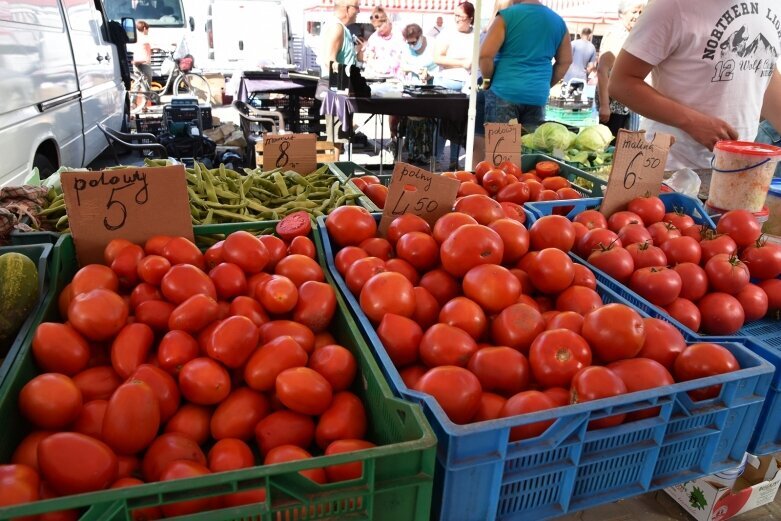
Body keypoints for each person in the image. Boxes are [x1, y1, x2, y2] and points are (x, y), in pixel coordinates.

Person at [609, 0, 781, 170]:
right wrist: (692, 122)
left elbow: (763, 71)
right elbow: (621, 82)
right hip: (670, 168)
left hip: (741, 167)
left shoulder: (772, 5)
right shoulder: (670, 5)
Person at [479, 0, 572, 130]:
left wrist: (487, 81)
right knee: (530, 147)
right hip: (537, 95)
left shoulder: (506, 16)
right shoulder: (558, 21)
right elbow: (565, 61)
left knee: (503, 148)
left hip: (504, 92)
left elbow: (485, 55)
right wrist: (545, 84)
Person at [433, 1, 476, 170]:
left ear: (470, 19)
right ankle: (436, 158)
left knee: (461, 126)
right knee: (442, 124)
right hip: (446, 83)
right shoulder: (447, 34)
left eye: (461, 17)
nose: (457, 19)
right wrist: (462, 63)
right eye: (455, 15)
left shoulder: (476, 34)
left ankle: (453, 160)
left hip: (467, 86)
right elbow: (437, 57)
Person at [596, 1, 645, 138]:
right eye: (634, 12)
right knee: (610, 144)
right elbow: (602, 70)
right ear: (622, 14)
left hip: (627, 103)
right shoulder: (616, 34)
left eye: (641, 12)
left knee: (625, 144)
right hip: (613, 105)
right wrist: (605, 105)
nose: (638, 16)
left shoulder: (633, 34)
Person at [400, 24, 438, 165]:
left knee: (427, 121)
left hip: (432, 86)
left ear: (421, 36)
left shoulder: (433, 44)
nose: (411, 45)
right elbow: (403, 65)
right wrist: (415, 69)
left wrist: (430, 74)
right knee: (413, 120)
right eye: (408, 42)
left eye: (413, 42)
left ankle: (426, 153)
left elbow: (440, 63)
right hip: (414, 87)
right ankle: (412, 151)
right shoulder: (406, 48)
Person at [320, 0, 361, 74]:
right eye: (357, 7)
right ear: (347, 9)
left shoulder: (340, 27)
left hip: (341, 83)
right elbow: (329, 62)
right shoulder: (336, 27)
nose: (359, 11)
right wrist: (351, 75)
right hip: (337, 84)